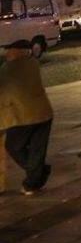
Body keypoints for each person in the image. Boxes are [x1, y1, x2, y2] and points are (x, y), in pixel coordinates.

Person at [0, 40, 54, 195]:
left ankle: (37, 174)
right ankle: (33, 181)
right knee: (37, 149)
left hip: (24, 117)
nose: (7, 54)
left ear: (18, 52)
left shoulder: (9, 68)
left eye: (10, 51)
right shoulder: (33, 64)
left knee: (14, 146)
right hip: (44, 113)